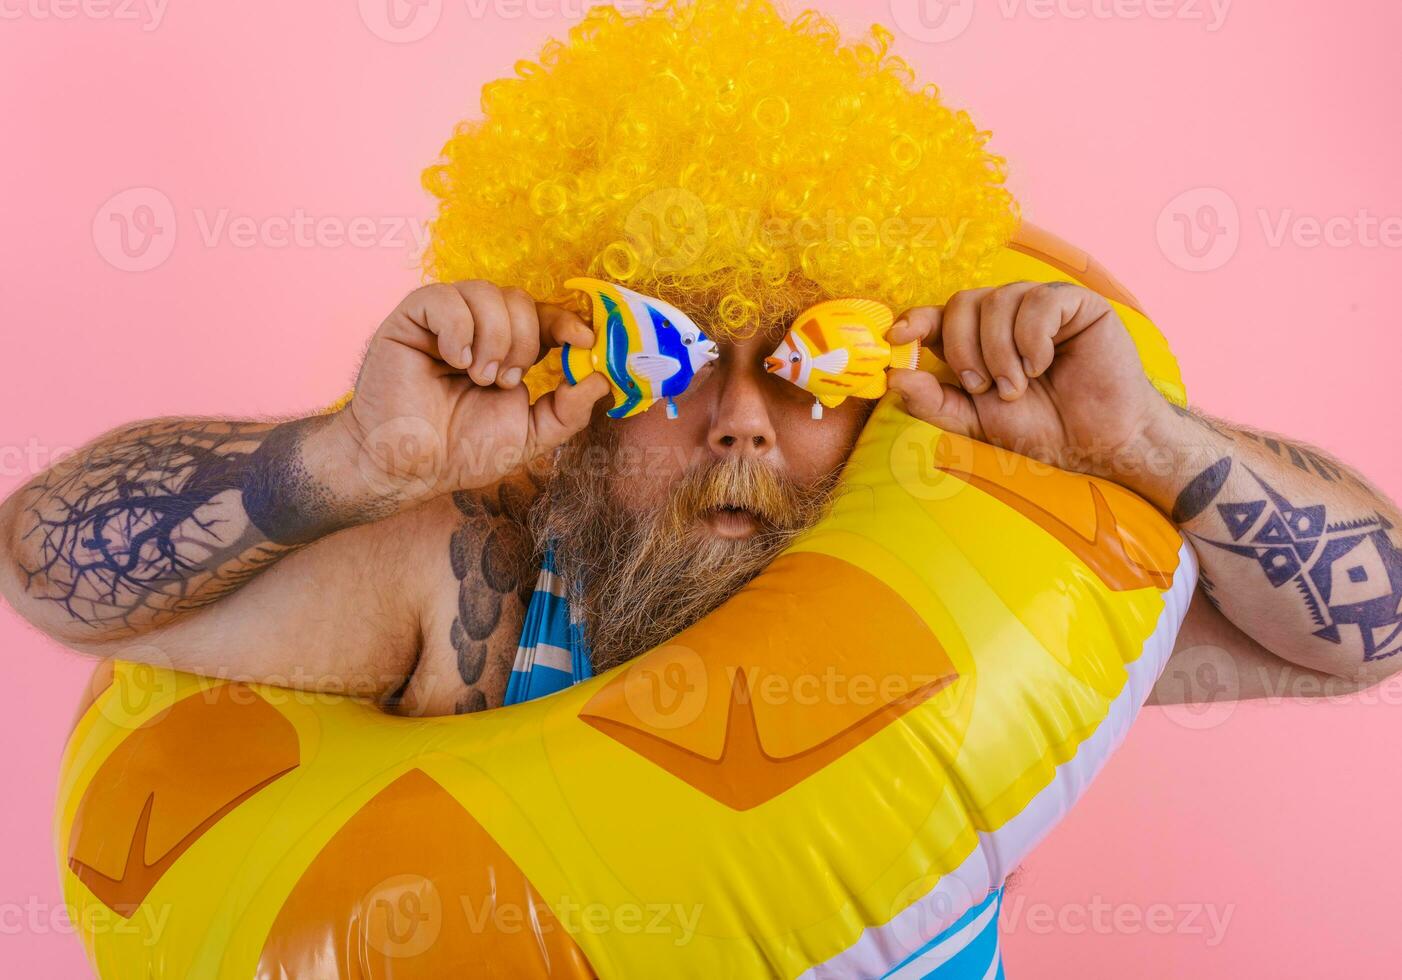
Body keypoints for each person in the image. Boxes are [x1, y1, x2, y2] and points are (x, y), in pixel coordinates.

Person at [1, 0, 1398, 973]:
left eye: (808, 363)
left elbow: (1364, 632)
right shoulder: (467, 589)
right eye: (666, 357)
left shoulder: (989, 595)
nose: (738, 421)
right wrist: (353, 460)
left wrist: (1145, 445)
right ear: (577, 378)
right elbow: (52, 573)